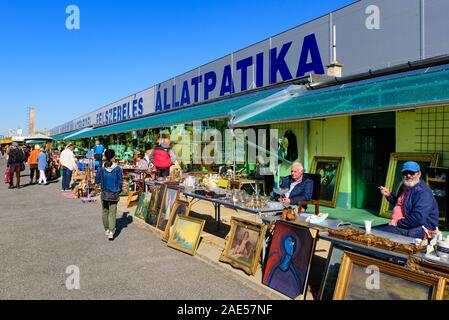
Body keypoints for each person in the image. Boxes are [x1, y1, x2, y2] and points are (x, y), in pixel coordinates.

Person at [375, 161, 439, 239]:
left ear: (419, 174)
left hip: (418, 229)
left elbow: (417, 218)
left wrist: (397, 223)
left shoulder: (423, 192)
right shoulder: (405, 186)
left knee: (374, 234)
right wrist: (389, 195)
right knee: (370, 231)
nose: (408, 175)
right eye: (405, 173)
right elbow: (401, 204)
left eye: (412, 173)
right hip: (402, 225)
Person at [95, 149, 123, 241]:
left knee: (105, 211)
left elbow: (97, 180)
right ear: (113, 156)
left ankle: (106, 229)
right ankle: (111, 231)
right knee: (112, 212)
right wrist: (119, 190)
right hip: (114, 193)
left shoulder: (101, 168)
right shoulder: (118, 168)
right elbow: (120, 182)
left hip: (104, 192)